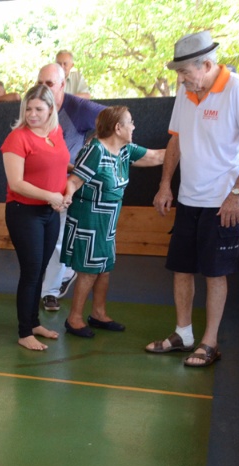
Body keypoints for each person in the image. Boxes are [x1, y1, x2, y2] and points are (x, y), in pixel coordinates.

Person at [149, 31, 239, 367]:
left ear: (207, 65)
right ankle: (182, 333)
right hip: (189, 199)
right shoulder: (187, 92)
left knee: (215, 273)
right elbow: (176, 141)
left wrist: (237, 192)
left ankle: (209, 342)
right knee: (181, 268)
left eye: (185, 73)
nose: (181, 80)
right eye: (179, 74)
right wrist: (166, 184)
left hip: (224, 201)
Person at [60, 106, 165, 337]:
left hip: (108, 218)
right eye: (130, 122)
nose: (134, 126)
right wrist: (67, 196)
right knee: (89, 270)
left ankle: (98, 313)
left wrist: (189, 143)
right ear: (118, 128)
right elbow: (75, 180)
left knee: (104, 269)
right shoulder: (95, 150)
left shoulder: (125, 150)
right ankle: (74, 318)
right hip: (88, 216)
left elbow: (158, 156)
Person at [1, 85, 70, 351]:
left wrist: (67, 190)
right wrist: (52, 195)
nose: (32, 114)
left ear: (51, 109)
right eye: (28, 109)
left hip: (49, 212)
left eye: (39, 109)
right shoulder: (17, 138)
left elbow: (59, 166)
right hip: (24, 211)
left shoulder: (56, 132)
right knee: (30, 272)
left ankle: (34, 323)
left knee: (40, 270)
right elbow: (16, 183)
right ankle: (23, 332)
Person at [36, 62, 106, 312]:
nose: (43, 89)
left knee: (58, 236)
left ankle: (50, 291)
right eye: (40, 83)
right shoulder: (36, 107)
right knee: (49, 237)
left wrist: (91, 149)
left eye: (50, 84)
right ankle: (61, 276)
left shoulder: (78, 107)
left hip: (68, 183)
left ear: (63, 85)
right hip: (39, 183)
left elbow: (116, 118)